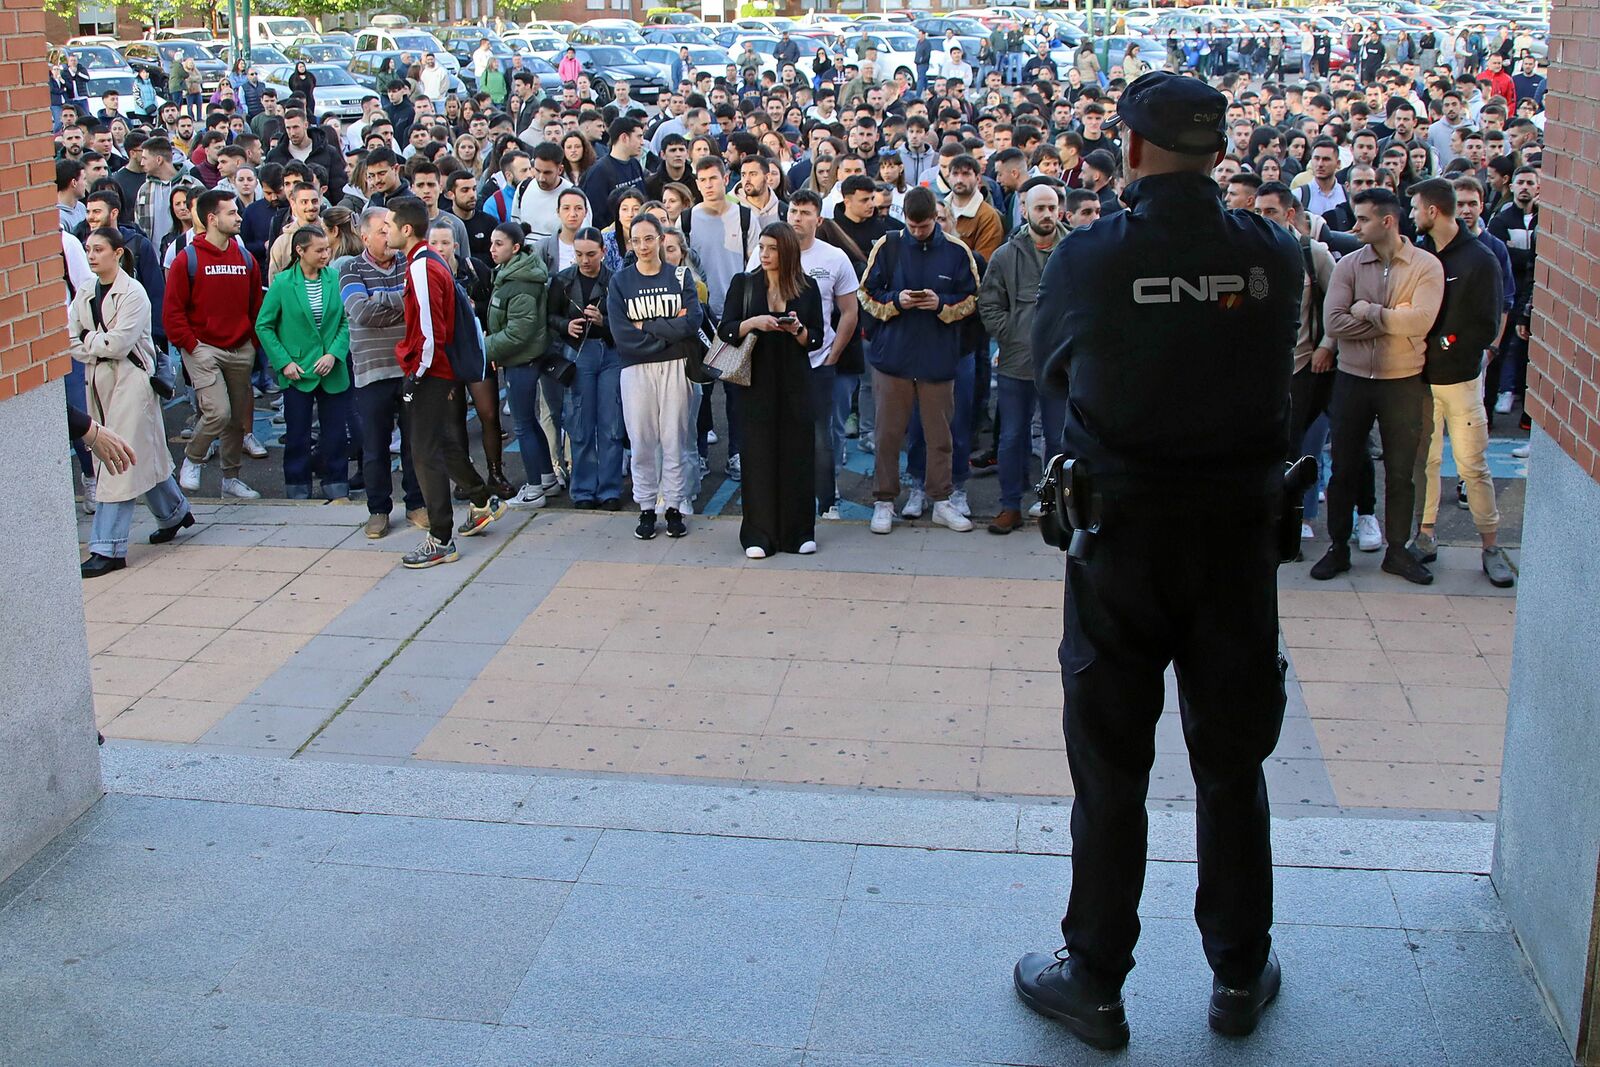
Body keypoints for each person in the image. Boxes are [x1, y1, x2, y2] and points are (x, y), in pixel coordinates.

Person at [1017, 72, 1306, 1050]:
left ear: (1131, 151)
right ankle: (1238, 973)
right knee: (1232, 767)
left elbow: (1050, 363)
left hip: (1121, 546)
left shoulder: (1091, 257)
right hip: (1235, 549)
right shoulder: (1272, 254)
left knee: (1110, 771)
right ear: (1218, 153)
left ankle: (1096, 981)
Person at [1314, 187, 1444, 585]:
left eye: (1363, 219)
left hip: (1402, 382)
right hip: (1352, 379)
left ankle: (1397, 551)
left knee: (1401, 472)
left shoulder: (1426, 266)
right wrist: (1392, 320)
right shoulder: (1349, 265)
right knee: (1343, 469)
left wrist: (1369, 311)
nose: (1354, 227)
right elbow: (1335, 322)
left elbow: (1421, 322)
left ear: (1387, 221)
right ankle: (1338, 547)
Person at [1404, 178, 1515, 588]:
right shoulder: (1422, 253)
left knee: (1472, 465)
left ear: (1433, 211)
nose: (1412, 214)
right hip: (1421, 380)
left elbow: (1486, 323)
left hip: (1461, 382)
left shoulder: (1480, 258)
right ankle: (1425, 535)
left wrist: (1444, 344)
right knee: (1425, 462)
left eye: (1416, 207)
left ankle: (1491, 546)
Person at [387, 195, 506, 569]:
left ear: (407, 229)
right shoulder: (428, 261)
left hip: (432, 370)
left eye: (389, 226)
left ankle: (440, 539)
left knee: (424, 453)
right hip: (439, 369)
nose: (385, 231)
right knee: (441, 442)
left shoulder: (422, 266)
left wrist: (416, 376)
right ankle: (482, 499)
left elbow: (430, 331)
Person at [72, 227, 193, 576]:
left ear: (118, 253)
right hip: (99, 384)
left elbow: (119, 344)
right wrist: (94, 341)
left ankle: (108, 548)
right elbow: (71, 340)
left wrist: (88, 338)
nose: (91, 255)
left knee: (117, 458)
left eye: (98, 249)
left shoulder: (134, 293)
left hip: (132, 383)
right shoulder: (85, 290)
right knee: (144, 453)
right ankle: (175, 512)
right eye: (88, 249)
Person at [859, 186, 979, 535]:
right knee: (887, 434)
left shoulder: (957, 251)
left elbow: (973, 299)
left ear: (935, 220)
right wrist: (896, 301)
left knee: (940, 434)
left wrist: (941, 304)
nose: (917, 232)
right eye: (911, 227)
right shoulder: (888, 245)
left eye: (923, 227)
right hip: (892, 356)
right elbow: (866, 294)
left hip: (937, 356)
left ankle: (941, 499)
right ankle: (884, 501)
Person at [720, 223, 825, 558]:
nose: (764, 254)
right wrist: (754, 322)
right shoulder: (744, 283)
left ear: (788, 252)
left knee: (798, 454)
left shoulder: (807, 287)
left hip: (795, 380)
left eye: (772, 249)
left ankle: (798, 532)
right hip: (756, 381)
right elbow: (725, 329)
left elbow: (816, 338)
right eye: (762, 247)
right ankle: (758, 534)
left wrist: (797, 329)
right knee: (758, 455)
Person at [162, 189, 264, 499]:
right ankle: (192, 459)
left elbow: (256, 308)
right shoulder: (187, 259)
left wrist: (251, 343)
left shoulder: (245, 258)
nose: (239, 217)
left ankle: (230, 479)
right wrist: (193, 347)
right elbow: (172, 312)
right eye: (231, 212)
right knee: (218, 412)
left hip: (240, 348)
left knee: (237, 420)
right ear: (212, 219)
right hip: (203, 348)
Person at [606, 212, 703, 540]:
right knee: (642, 440)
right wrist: (667, 332)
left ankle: (674, 506)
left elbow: (691, 323)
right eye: (637, 240)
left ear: (661, 239)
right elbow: (622, 335)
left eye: (649, 238)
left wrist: (646, 326)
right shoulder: (620, 282)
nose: (643, 245)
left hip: (676, 366)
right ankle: (647, 507)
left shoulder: (680, 276)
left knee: (674, 438)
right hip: (635, 369)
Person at [979, 183, 1067, 534]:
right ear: (1025, 210)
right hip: (1016, 363)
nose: (1047, 214)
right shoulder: (1005, 256)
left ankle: (1055, 507)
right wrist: (1013, 335)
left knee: (1058, 440)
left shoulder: (1074, 250)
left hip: (1061, 364)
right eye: (1039, 208)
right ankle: (1010, 505)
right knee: (1012, 437)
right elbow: (989, 304)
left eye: (1052, 207)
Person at [341, 206, 426, 539]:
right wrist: (403, 302)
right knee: (374, 446)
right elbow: (361, 312)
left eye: (390, 228)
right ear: (365, 237)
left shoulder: (408, 263)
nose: (389, 235)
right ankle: (378, 510)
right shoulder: (350, 269)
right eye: (382, 230)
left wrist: (381, 299)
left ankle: (417, 504)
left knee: (414, 443)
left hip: (409, 369)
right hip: (371, 372)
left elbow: (422, 304)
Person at [256, 225, 352, 501]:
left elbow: (346, 320)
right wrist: (283, 362)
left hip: (331, 368)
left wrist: (334, 354)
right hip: (297, 370)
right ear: (300, 251)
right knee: (297, 433)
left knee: (335, 432)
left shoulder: (336, 278)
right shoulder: (283, 283)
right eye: (319, 250)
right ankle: (297, 484)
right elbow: (264, 325)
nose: (326, 255)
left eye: (327, 249)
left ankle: (336, 481)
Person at [548, 226, 624, 510]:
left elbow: (629, 322)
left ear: (603, 252)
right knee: (579, 423)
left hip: (610, 353)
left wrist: (605, 321)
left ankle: (609, 489)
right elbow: (549, 316)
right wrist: (566, 325)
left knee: (611, 424)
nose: (585, 260)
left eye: (591, 254)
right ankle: (582, 490)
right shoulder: (563, 280)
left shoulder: (616, 281)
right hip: (578, 352)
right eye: (579, 254)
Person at [485, 221, 555, 509]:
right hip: (521, 359)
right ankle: (547, 478)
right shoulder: (511, 272)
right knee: (529, 422)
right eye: (491, 242)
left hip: (522, 360)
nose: (492, 249)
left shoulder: (520, 282)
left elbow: (518, 332)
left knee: (523, 425)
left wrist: (484, 347)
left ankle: (535, 488)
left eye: (499, 244)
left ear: (515, 248)